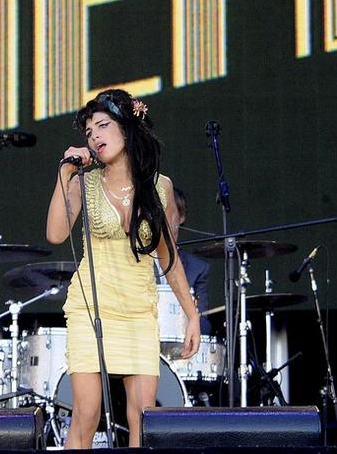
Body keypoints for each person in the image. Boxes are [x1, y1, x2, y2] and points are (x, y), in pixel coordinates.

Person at [46, 89, 201, 448]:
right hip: (91, 309)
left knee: (142, 415)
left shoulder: (159, 187)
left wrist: (191, 315)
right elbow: (55, 233)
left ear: (127, 129)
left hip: (137, 312)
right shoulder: (84, 183)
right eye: (88, 132)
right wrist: (65, 172)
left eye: (102, 126)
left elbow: (169, 258)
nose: (95, 136)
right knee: (86, 414)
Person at [167, 187, 211, 335]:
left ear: (181, 217)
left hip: (180, 346)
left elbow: (204, 323)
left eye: (169, 211)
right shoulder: (139, 259)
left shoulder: (198, 269)